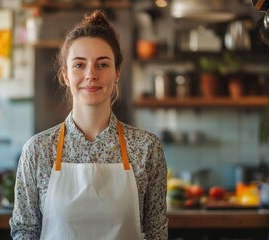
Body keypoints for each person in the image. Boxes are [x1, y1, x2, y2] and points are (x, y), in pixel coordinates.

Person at [10, 9, 168, 240]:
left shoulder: (147, 149)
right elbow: (24, 232)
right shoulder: (38, 150)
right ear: (65, 75)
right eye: (79, 65)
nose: (90, 74)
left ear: (117, 73)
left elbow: (157, 234)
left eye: (102, 65)